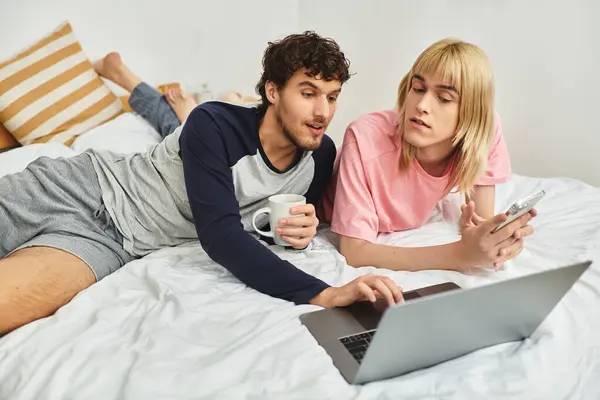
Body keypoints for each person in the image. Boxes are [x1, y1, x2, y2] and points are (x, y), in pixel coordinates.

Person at [0, 31, 404, 335]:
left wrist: (302, 229)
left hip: (114, 244)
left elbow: (284, 217)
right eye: (309, 92)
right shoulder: (213, 123)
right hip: (82, 187)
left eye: (332, 97)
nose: (322, 111)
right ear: (273, 91)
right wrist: (323, 293)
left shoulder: (322, 156)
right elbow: (221, 235)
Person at [320, 38, 536, 272]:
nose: (422, 105)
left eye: (443, 98)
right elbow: (355, 251)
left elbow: (480, 220)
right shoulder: (364, 137)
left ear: (472, 112)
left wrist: (499, 241)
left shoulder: (485, 129)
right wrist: (460, 256)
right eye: (418, 88)